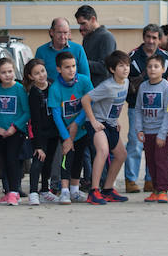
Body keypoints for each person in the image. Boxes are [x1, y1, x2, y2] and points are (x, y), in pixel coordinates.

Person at [125, 24, 168, 193]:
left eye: (154, 38)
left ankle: (151, 180)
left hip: (159, 110)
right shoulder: (133, 56)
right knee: (135, 143)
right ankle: (131, 180)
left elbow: (167, 82)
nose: (151, 41)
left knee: (155, 146)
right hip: (137, 106)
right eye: (148, 37)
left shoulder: (166, 57)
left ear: (160, 39)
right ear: (143, 37)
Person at [81, 50, 130, 205]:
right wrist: (93, 121)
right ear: (112, 69)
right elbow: (85, 99)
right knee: (103, 151)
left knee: (121, 155)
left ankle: (107, 189)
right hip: (97, 124)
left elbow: (116, 104)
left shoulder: (126, 82)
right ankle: (94, 191)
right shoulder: (107, 86)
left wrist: (116, 120)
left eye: (127, 65)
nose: (126, 69)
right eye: (121, 66)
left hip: (111, 124)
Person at [48, 51, 94, 204]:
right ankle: (65, 191)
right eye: (67, 67)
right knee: (67, 157)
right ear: (59, 69)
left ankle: (75, 189)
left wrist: (77, 123)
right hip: (64, 129)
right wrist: (66, 137)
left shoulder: (84, 81)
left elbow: (90, 103)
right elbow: (56, 115)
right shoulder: (55, 88)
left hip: (81, 128)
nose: (72, 70)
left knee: (79, 157)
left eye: (73, 66)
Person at [0, 57, 30, 206]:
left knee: (13, 160)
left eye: (10, 71)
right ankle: (9, 192)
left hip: (15, 133)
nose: (7, 75)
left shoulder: (19, 89)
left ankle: (13, 191)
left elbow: (26, 112)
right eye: (3, 72)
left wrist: (15, 127)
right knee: (2, 162)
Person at [133, 53, 168, 204]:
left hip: (162, 133)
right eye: (149, 66)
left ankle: (163, 190)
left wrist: (163, 133)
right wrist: (139, 129)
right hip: (147, 132)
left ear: (163, 69)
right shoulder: (143, 86)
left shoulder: (167, 88)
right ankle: (155, 190)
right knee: (150, 162)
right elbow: (138, 109)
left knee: (161, 161)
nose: (152, 69)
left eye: (156, 66)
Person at [25, 58, 59, 205]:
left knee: (49, 162)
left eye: (42, 71)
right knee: (38, 161)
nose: (41, 75)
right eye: (36, 73)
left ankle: (45, 190)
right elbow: (36, 120)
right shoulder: (33, 93)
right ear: (31, 76)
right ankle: (33, 192)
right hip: (39, 133)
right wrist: (38, 145)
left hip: (53, 132)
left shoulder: (52, 85)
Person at [75, 5, 117, 87]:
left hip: (103, 91)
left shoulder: (106, 37)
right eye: (80, 24)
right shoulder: (87, 37)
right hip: (89, 89)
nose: (81, 28)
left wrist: (81, 62)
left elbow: (105, 68)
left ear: (93, 19)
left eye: (83, 23)